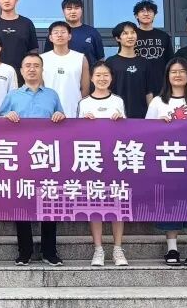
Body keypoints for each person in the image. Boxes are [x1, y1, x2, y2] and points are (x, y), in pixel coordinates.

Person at [0, 53, 65, 267]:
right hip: (20, 156)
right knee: (22, 201)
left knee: (50, 202)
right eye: (28, 66)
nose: (32, 69)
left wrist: (60, 116)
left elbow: (63, 120)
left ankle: (49, 251)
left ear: (42, 70)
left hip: (46, 155)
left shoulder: (52, 95)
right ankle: (24, 251)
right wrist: (6, 117)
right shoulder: (12, 95)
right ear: (21, 70)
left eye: (36, 65)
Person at [146, 57, 187, 267]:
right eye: (173, 71)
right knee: (169, 202)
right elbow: (145, 132)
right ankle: (172, 248)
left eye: (182, 71)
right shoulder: (158, 102)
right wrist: (157, 124)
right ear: (167, 76)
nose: (177, 75)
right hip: (168, 160)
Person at [77, 61, 128, 267]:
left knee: (118, 204)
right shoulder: (84, 103)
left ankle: (117, 249)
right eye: (98, 75)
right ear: (91, 78)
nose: (102, 78)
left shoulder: (118, 101)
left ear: (111, 78)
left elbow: (128, 132)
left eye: (106, 75)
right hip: (92, 159)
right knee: (95, 204)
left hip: (115, 158)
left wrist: (121, 121)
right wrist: (83, 123)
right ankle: (98, 249)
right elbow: (76, 134)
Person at [105, 21, 156, 119]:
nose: (130, 36)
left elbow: (149, 92)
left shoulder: (144, 62)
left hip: (141, 116)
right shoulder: (111, 62)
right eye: (125, 33)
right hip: (117, 115)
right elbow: (107, 90)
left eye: (133, 32)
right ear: (118, 38)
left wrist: (151, 115)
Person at [40, 21, 89, 118]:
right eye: (56, 32)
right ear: (50, 38)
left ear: (69, 36)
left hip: (74, 111)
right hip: (49, 112)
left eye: (63, 32)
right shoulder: (42, 59)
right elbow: (39, 87)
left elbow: (85, 88)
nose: (59, 35)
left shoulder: (80, 58)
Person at [43, 0, 103, 67]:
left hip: (88, 72)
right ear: (63, 11)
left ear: (81, 10)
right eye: (69, 9)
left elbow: (100, 58)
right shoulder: (56, 34)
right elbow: (47, 58)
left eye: (76, 8)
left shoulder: (92, 32)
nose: (73, 11)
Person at [133, 0, 173, 96]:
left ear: (154, 15)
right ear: (136, 16)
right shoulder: (132, 36)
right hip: (137, 80)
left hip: (160, 83)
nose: (146, 14)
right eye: (142, 11)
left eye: (150, 11)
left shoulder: (163, 36)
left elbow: (170, 61)